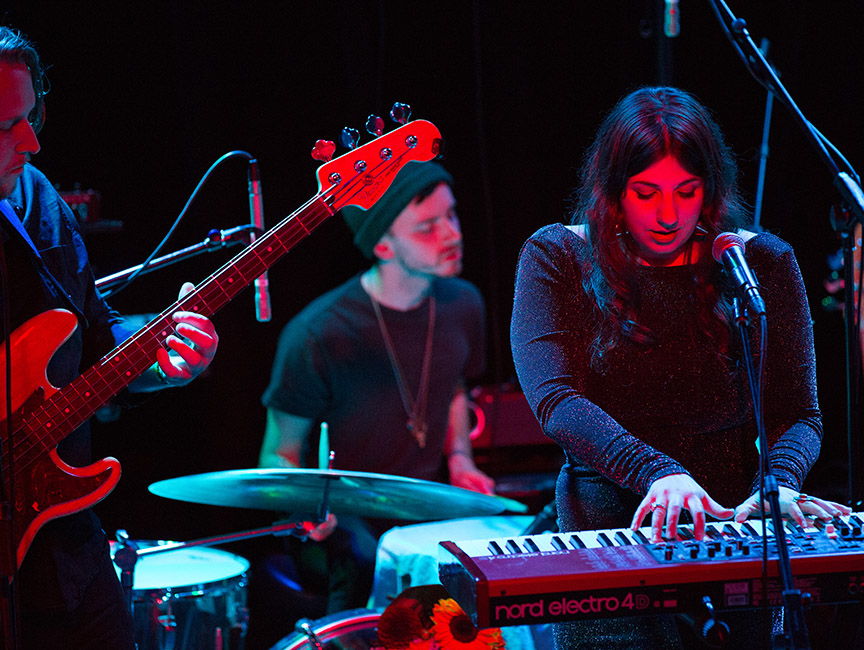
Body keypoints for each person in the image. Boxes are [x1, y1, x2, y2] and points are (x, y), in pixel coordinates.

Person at [510, 86, 850, 649]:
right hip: (608, 535)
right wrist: (659, 473)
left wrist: (778, 484)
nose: (668, 215)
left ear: (710, 192)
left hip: (738, 529)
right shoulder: (557, 256)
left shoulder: (759, 262)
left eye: (686, 192)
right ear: (614, 192)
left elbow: (801, 413)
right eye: (646, 193)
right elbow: (556, 400)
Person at [1, 26, 219, 648]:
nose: (32, 142)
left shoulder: (40, 200)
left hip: (68, 546)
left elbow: (94, 340)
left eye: (32, 114)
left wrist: (163, 354)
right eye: (6, 127)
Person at [259, 159, 494, 612]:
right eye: (428, 227)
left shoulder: (464, 304)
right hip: (342, 520)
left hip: (420, 507)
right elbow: (277, 454)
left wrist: (461, 458)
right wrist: (310, 507)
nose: (452, 234)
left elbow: (455, 386)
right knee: (363, 556)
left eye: (452, 215)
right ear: (383, 246)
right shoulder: (318, 334)